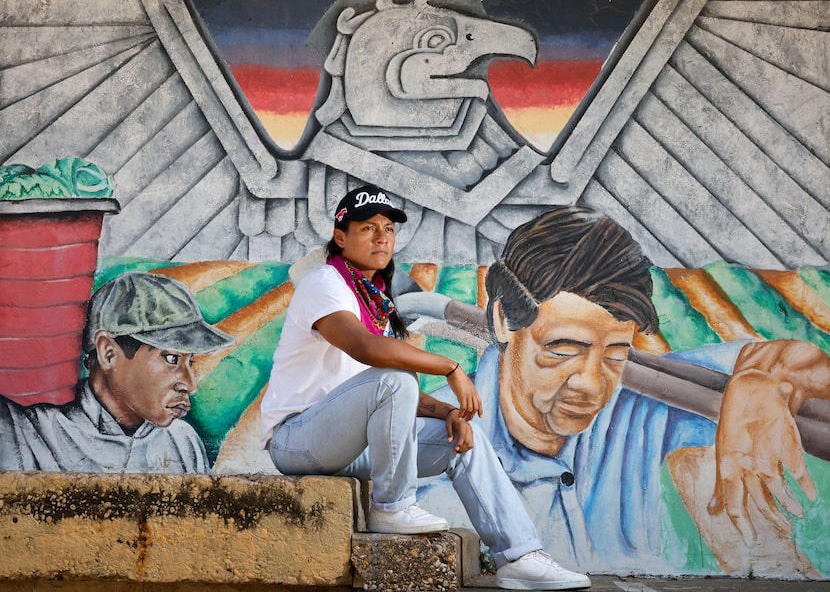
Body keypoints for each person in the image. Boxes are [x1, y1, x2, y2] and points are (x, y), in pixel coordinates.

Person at [416, 206, 828, 575]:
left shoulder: (649, 400)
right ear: (505, 321)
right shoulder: (435, 450)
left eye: (616, 355)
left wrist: (763, 384)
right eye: (563, 350)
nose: (593, 385)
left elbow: (803, 363)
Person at [260, 184, 592, 590]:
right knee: (397, 376)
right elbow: (368, 352)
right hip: (298, 440)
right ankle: (393, 506)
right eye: (367, 228)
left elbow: (386, 400)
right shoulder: (324, 283)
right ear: (341, 238)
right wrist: (451, 368)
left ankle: (519, 557)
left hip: (350, 442)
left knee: (464, 440)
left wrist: (447, 412)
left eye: (388, 228)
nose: (382, 237)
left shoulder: (373, 301)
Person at [0, 272, 235, 473]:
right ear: (108, 353)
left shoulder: (183, 443)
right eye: (171, 358)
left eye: (190, 362)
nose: (190, 384)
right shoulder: (29, 433)